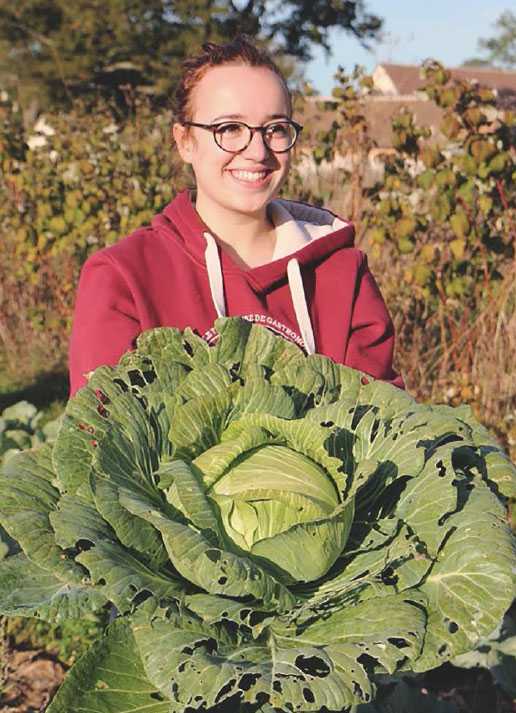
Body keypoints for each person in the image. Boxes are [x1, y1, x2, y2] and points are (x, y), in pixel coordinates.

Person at [69, 36, 403, 396]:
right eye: (229, 129)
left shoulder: (341, 273)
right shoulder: (124, 277)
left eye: (275, 129)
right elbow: (102, 434)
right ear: (184, 141)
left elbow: (382, 420)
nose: (257, 151)